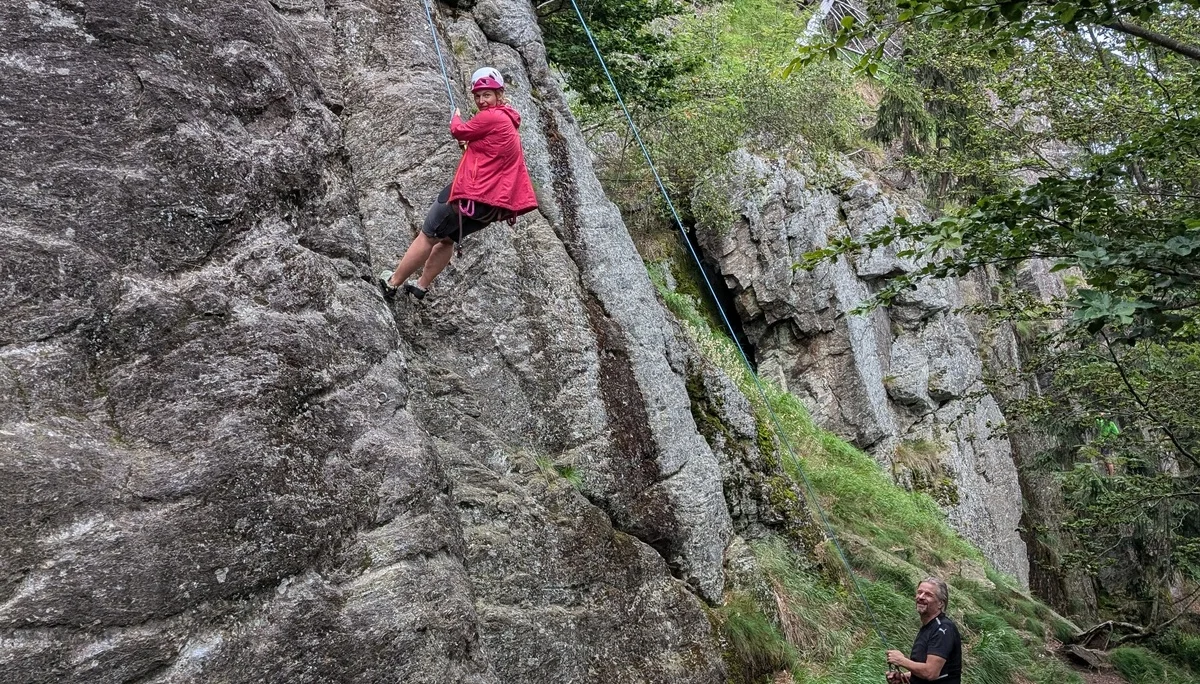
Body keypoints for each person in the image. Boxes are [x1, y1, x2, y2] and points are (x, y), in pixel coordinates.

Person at [380, 67, 538, 301]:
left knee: (427, 235)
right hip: (489, 208)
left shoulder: (491, 116)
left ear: (499, 94)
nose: (482, 101)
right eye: (478, 96)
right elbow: (488, 151)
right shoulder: (508, 120)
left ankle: (392, 283)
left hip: (472, 196)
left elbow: (458, 130)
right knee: (447, 239)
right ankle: (421, 286)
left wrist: (455, 116)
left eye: (487, 95)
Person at [886, 577, 962, 684]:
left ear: (941, 603)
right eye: (919, 592)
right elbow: (932, 671)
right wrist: (903, 677)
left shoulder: (943, 629)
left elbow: (931, 673)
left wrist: (901, 660)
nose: (921, 597)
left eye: (928, 595)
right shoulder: (929, 627)